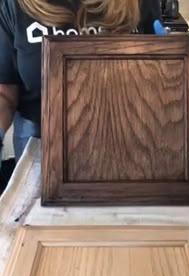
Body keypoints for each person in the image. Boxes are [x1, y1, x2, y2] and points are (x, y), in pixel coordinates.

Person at [0, 0, 161, 162]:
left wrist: (175, 72)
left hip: (129, 142)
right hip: (41, 148)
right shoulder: (13, 4)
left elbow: (155, 84)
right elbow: (4, 92)